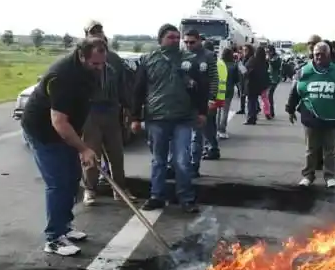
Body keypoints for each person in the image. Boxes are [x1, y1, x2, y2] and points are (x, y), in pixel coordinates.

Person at [21, 37, 106, 256]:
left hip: (66, 130)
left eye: (101, 63)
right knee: (58, 183)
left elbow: (81, 109)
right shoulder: (61, 77)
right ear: (81, 55)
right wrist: (83, 148)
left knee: (72, 178)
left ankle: (65, 226)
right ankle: (54, 238)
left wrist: (81, 143)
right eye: (95, 63)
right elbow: (58, 122)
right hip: (44, 132)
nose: (100, 68)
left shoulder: (90, 72)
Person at [130, 24, 208, 213]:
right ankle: (156, 195)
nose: (174, 40)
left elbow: (201, 88)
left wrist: (202, 112)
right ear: (160, 39)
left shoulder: (189, 60)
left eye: (176, 37)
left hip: (183, 118)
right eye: (170, 37)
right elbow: (138, 90)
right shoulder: (148, 60)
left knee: (182, 160)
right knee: (159, 160)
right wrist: (134, 117)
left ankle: (186, 198)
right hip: (156, 118)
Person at [285, 41, 335, 188]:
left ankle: (329, 176)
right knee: (311, 149)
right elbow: (295, 91)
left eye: (322, 54)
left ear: (328, 55)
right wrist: (290, 109)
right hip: (310, 117)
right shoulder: (304, 71)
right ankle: (308, 176)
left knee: (329, 150)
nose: (318, 57)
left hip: (331, 117)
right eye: (316, 54)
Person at [81, 21, 133, 206]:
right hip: (90, 113)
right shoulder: (80, 58)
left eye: (99, 31)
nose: (97, 34)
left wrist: (128, 109)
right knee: (91, 155)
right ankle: (90, 189)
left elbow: (123, 86)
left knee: (116, 154)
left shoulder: (114, 59)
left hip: (111, 111)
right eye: (92, 32)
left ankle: (119, 190)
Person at [185, 30, 219, 176]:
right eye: (186, 42)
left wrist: (212, 98)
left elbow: (213, 78)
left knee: (197, 136)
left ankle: (194, 165)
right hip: (183, 101)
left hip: (201, 102)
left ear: (199, 41)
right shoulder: (182, 56)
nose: (188, 45)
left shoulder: (208, 56)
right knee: (181, 136)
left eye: (192, 42)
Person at [201, 40, 227, 160]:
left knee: (207, 126)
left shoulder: (212, 63)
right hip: (219, 97)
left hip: (212, 98)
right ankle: (211, 147)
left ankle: (212, 148)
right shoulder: (221, 62)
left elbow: (211, 81)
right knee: (210, 125)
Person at [243, 45, 268, 125]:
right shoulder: (264, 61)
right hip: (259, 84)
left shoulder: (253, 60)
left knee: (251, 101)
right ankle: (253, 116)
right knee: (254, 100)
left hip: (251, 83)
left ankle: (251, 118)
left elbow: (246, 71)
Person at [216, 47, 238, 139]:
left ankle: (216, 129)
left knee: (217, 111)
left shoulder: (218, 64)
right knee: (225, 111)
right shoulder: (233, 65)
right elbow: (236, 79)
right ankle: (222, 130)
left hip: (217, 90)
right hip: (228, 90)